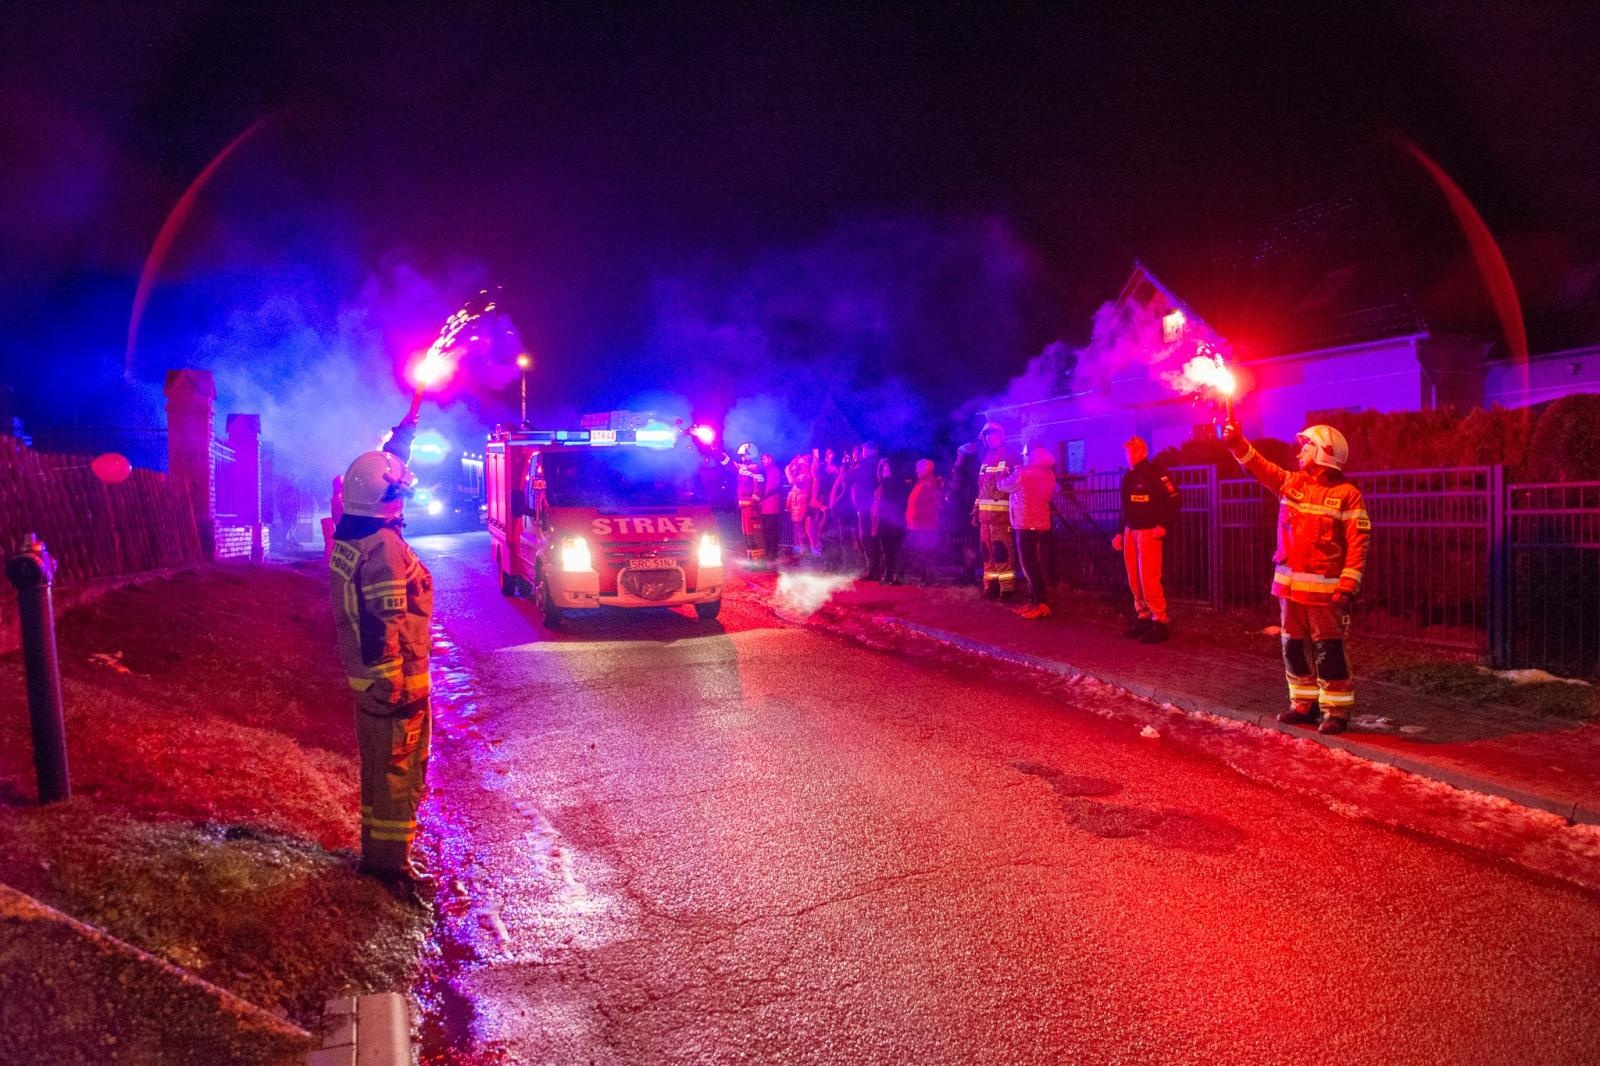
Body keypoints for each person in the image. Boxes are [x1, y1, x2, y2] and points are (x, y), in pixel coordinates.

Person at [328, 423, 435, 903]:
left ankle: (378, 855)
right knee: (397, 776)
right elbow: (383, 627)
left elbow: (374, 478)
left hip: (368, 685)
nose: (404, 502)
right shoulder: (386, 551)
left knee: (378, 772)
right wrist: (396, 688)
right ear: (388, 502)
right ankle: (391, 870)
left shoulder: (353, 535)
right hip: (394, 688)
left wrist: (401, 442)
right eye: (400, 495)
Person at [1222, 421, 1371, 735]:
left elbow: (1358, 544)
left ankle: (1335, 711)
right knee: (1292, 648)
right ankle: (1303, 705)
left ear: (1323, 453)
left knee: (1329, 651)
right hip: (1290, 592)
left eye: (1307, 446)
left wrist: (1348, 585)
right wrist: (1237, 442)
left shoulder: (1347, 495)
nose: (1300, 451)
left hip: (1326, 594)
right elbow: (1260, 467)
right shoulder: (1292, 483)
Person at [1113, 436, 1181, 644]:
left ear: (1142, 451)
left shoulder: (1156, 473)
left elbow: (1174, 500)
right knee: (1134, 578)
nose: (1129, 455)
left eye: (1132, 451)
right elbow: (1125, 507)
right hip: (1131, 531)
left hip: (1149, 532)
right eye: (1127, 451)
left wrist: (1164, 525)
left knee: (1149, 578)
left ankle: (1159, 622)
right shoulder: (1129, 476)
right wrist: (1119, 532)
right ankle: (1143, 617)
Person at [998, 445, 1060, 618]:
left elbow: (1003, 486)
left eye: (1026, 454)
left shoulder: (1024, 473)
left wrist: (1002, 474)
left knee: (1029, 566)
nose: (1024, 457)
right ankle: (1033, 601)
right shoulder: (1049, 474)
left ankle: (1040, 604)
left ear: (1032, 456)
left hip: (1026, 524)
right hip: (1041, 525)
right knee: (1035, 565)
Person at [973, 422, 1021, 598]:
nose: (990, 439)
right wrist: (975, 508)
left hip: (1002, 517)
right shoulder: (985, 458)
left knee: (1002, 551)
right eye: (987, 436)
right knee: (987, 553)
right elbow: (981, 488)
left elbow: (1016, 484)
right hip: (985, 517)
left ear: (1001, 437)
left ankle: (1007, 589)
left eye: (994, 436)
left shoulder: (1011, 455)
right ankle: (991, 586)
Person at [905, 458, 943, 585]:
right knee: (923, 551)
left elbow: (934, 504)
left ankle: (930, 578)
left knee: (928, 552)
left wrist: (920, 516)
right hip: (919, 524)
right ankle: (925, 576)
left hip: (926, 524)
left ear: (925, 469)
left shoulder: (930, 483)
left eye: (918, 467)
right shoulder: (922, 482)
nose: (916, 470)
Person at [872, 456, 910, 584]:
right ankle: (888, 574)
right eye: (882, 468)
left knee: (894, 549)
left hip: (895, 521)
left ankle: (896, 575)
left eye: (887, 467)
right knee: (885, 549)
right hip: (884, 521)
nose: (885, 470)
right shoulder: (882, 485)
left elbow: (901, 502)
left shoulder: (897, 484)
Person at [848, 442, 882, 579]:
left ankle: (873, 571)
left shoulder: (867, 464)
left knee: (867, 538)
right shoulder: (876, 463)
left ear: (868, 451)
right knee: (871, 538)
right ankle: (875, 569)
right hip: (870, 504)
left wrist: (849, 466)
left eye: (863, 450)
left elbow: (848, 477)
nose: (861, 453)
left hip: (866, 505)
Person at [734, 442, 765, 567]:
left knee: (754, 534)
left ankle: (759, 562)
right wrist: (714, 448)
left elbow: (759, 488)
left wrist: (753, 503)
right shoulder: (742, 468)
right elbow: (729, 463)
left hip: (751, 508)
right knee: (747, 534)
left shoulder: (755, 468)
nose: (741, 458)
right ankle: (751, 560)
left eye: (743, 456)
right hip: (744, 507)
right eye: (741, 456)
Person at [758, 451, 784, 567]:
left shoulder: (773, 470)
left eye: (764, 459)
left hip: (771, 504)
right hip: (766, 505)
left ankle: (772, 552)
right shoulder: (767, 471)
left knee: (771, 530)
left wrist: (762, 497)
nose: (762, 461)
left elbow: (771, 487)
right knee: (767, 530)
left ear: (770, 459)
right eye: (762, 459)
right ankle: (769, 551)